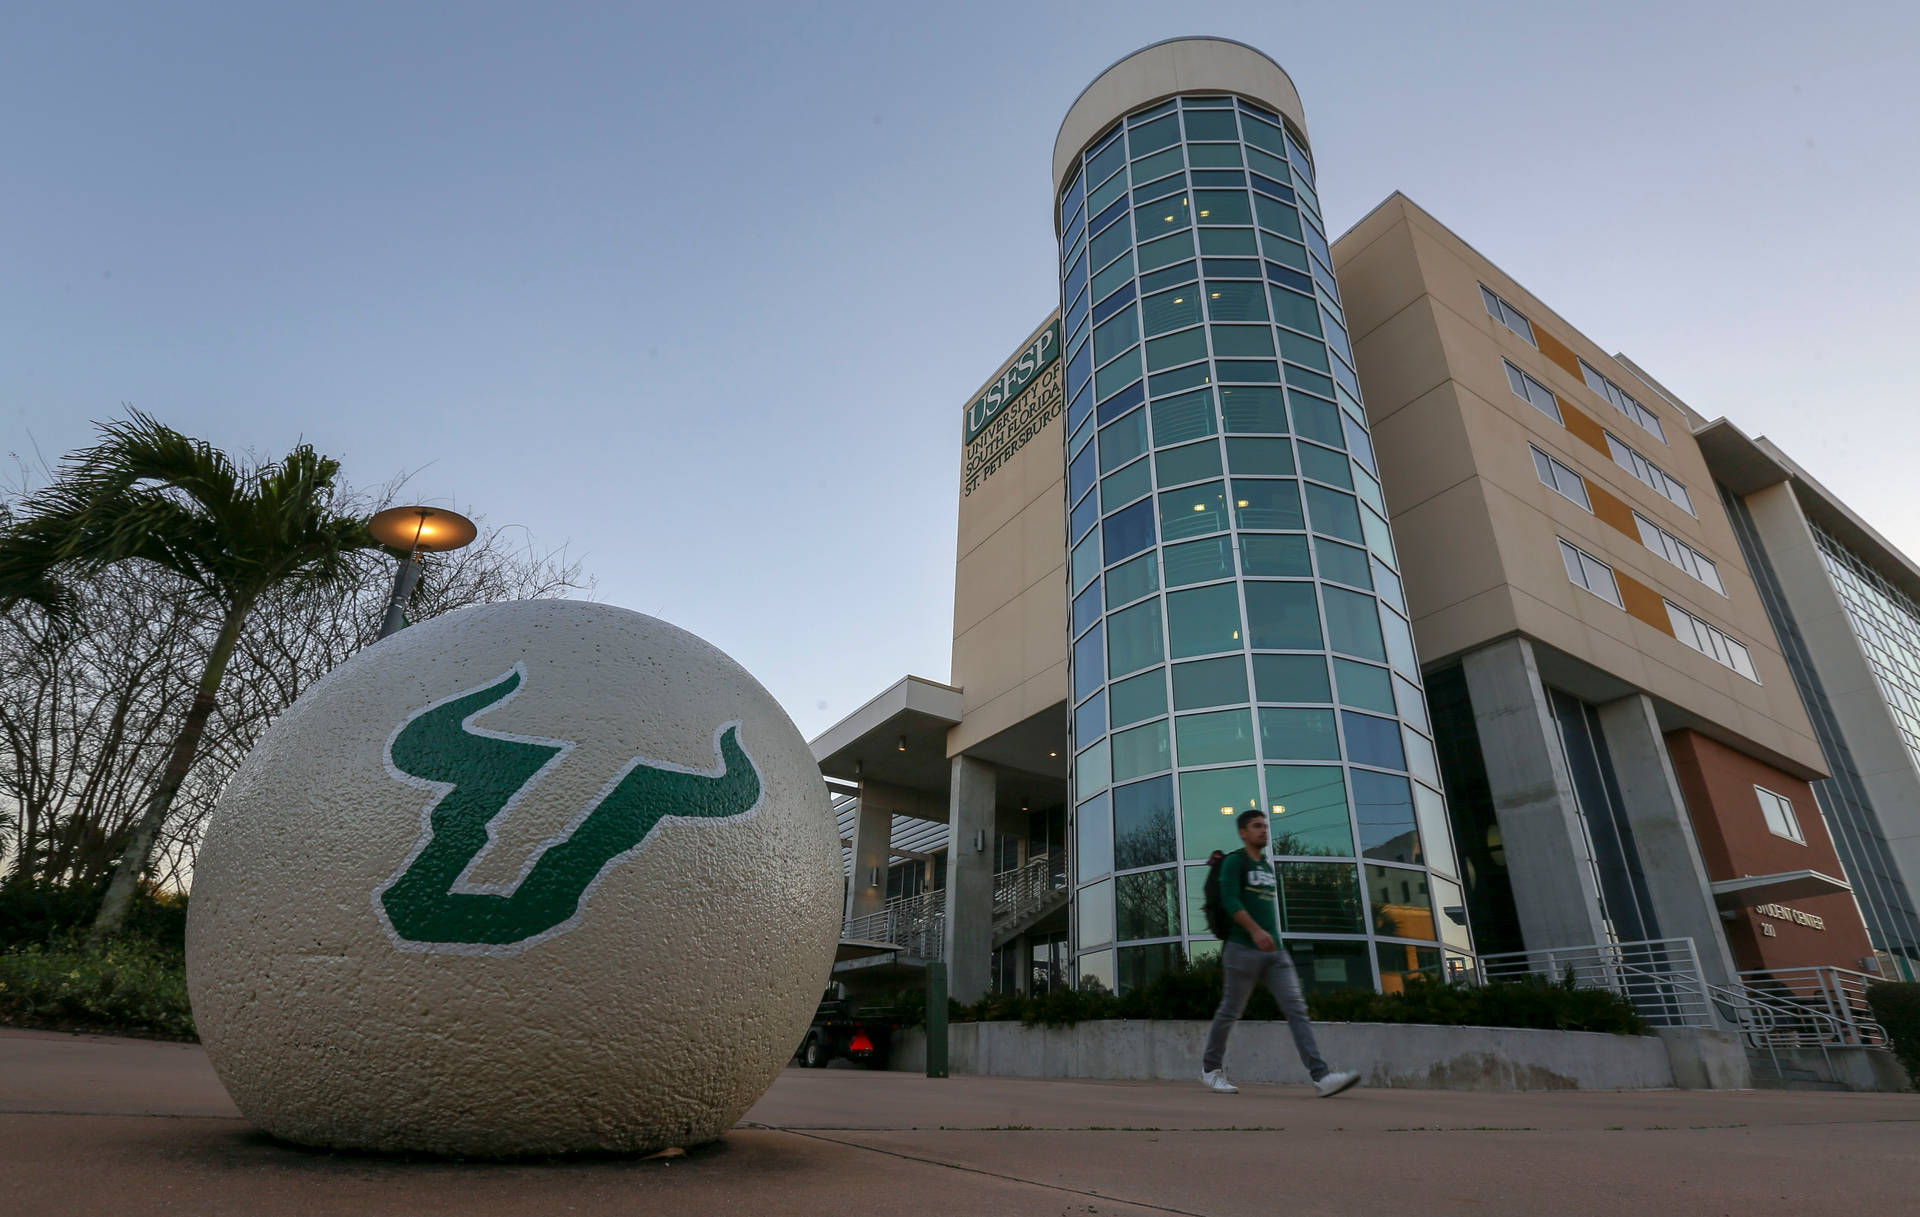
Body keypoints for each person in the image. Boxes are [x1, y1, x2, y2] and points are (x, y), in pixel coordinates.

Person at [1201, 808, 1360, 1097]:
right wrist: (1254, 931)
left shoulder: (1266, 868)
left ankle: (1321, 1077)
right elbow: (1230, 900)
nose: (1263, 830)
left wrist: (1270, 936)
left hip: (1275, 953)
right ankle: (1211, 1069)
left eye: (1265, 825)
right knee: (1230, 1011)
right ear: (1242, 832)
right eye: (1256, 826)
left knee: (1296, 1009)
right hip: (1241, 950)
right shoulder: (1234, 863)